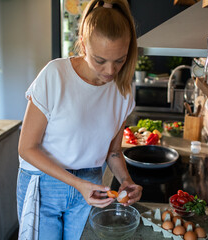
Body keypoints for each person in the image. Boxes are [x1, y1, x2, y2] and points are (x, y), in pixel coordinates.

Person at [16, 0, 142, 239]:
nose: (110, 71)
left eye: (119, 60)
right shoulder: (55, 75)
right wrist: (76, 183)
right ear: (83, 44)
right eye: (100, 60)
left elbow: (113, 152)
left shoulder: (123, 90)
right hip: (44, 183)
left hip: (91, 183)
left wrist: (126, 180)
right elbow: (26, 148)